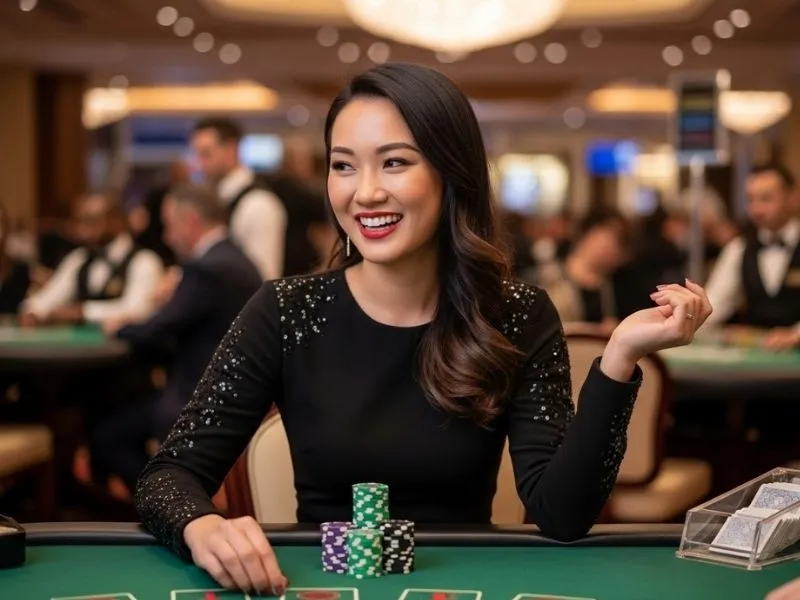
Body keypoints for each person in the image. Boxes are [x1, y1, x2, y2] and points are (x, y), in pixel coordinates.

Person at [134, 63, 712, 595]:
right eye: (343, 165)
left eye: (395, 161)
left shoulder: (516, 313)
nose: (364, 193)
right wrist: (201, 524)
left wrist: (619, 358)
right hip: (318, 586)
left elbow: (562, 515)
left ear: (450, 172)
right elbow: (169, 475)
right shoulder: (284, 309)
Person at [89, 183, 263, 496]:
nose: (167, 237)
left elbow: (156, 331)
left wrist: (118, 328)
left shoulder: (206, 268)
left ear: (190, 223)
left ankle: (161, 501)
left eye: (170, 226)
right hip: (235, 396)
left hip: (198, 400)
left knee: (107, 435)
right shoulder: (234, 258)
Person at [19, 192, 163, 327]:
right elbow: (49, 297)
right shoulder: (79, 258)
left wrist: (84, 312)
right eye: (78, 221)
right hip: (82, 350)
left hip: (129, 350)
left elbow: (138, 310)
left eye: (90, 221)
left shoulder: (144, 260)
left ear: (117, 221)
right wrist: (34, 311)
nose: (81, 230)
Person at [702, 163, 800, 350]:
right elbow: (714, 306)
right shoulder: (738, 248)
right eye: (751, 200)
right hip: (758, 356)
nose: (756, 209)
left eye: (766, 199)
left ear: (792, 198)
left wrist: (796, 333)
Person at [191, 118, 287, 280]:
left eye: (206, 154)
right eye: (197, 154)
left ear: (231, 150)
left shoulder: (259, 204)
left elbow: (263, 278)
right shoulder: (215, 199)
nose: (199, 165)